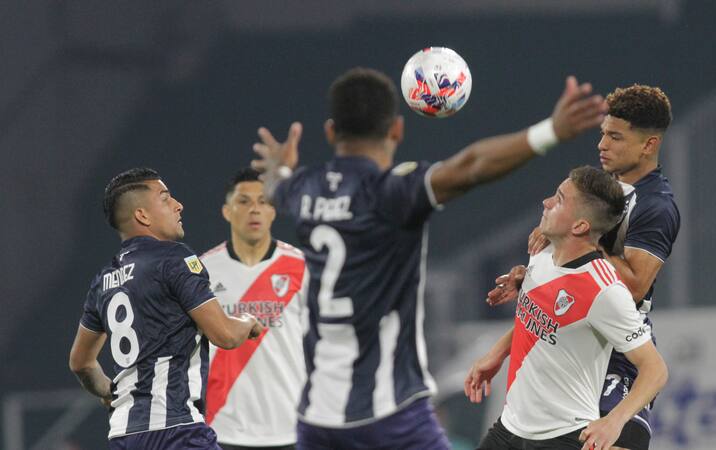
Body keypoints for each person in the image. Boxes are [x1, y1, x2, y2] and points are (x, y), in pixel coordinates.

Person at [250, 67, 607, 449]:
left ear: (331, 132)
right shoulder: (392, 193)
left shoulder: (305, 189)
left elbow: (275, 187)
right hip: (390, 409)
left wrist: (279, 168)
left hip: (316, 415)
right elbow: (469, 167)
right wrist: (550, 131)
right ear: (397, 130)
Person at [489, 85, 679, 450]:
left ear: (649, 145)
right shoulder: (597, 185)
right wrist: (534, 271)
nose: (601, 145)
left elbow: (635, 285)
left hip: (618, 351)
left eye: (615, 137)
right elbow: (565, 273)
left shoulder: (656, 206)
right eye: (603, 133)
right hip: (570, 340)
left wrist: (578, 240)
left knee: (616, 440)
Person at [465, 166, 669, 450]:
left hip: (562, 438)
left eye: (559, 200)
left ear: (580, 226)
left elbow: (655, 369)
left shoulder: (605, 290)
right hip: (509, 429)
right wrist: (496, 354)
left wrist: (615, 420)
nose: (546, 203)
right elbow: (539, 318)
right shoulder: (541, 254)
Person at [68, 168, 264, 449]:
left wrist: (111, 393)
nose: (178, 205)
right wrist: (247, 321)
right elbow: (225, 335)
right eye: (165, 198)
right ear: (142, 215)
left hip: (124, 436)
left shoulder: (103, 281)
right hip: (176, 430)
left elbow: (81, 362)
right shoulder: (173, 258)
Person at [201, 168, 308, 450]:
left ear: (273, 211)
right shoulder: (204, 271)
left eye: (263, 202)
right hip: (223, 428)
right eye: (244, 201)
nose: (255, 210)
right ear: (227, 211)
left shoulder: (302, 267)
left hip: (292, 427)